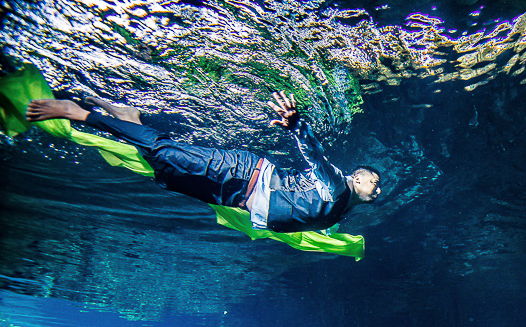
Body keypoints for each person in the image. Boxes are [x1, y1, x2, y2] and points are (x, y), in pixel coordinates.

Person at [24, 91, 382, 233]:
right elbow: (315, 156)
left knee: (163, 172)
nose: (377, 189)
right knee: (163, 153)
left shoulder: (342, 209)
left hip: (234, 197)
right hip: (243, 175)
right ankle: (79, 113)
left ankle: (130, 120)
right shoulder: (337, 184)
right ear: (358, 177)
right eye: (374, 181)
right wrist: (296, 126)